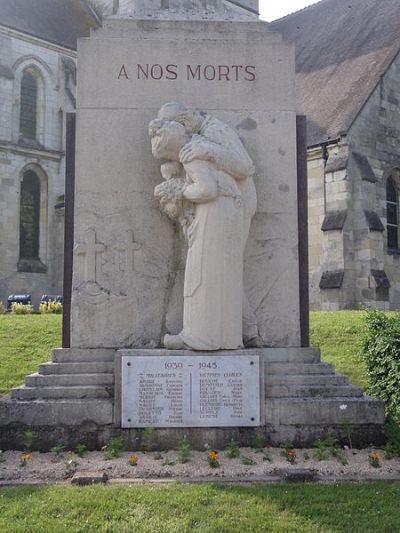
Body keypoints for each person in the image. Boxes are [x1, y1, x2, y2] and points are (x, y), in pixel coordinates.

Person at [156, 102, 263, 347]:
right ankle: (244, 331)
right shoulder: (195, 146)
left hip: (233, 207)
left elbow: (245, 167)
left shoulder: (213, 131)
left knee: (211, 270)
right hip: (222, 207)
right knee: (220, 271)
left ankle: (223, 333)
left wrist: (207, 149)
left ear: (184, 124)